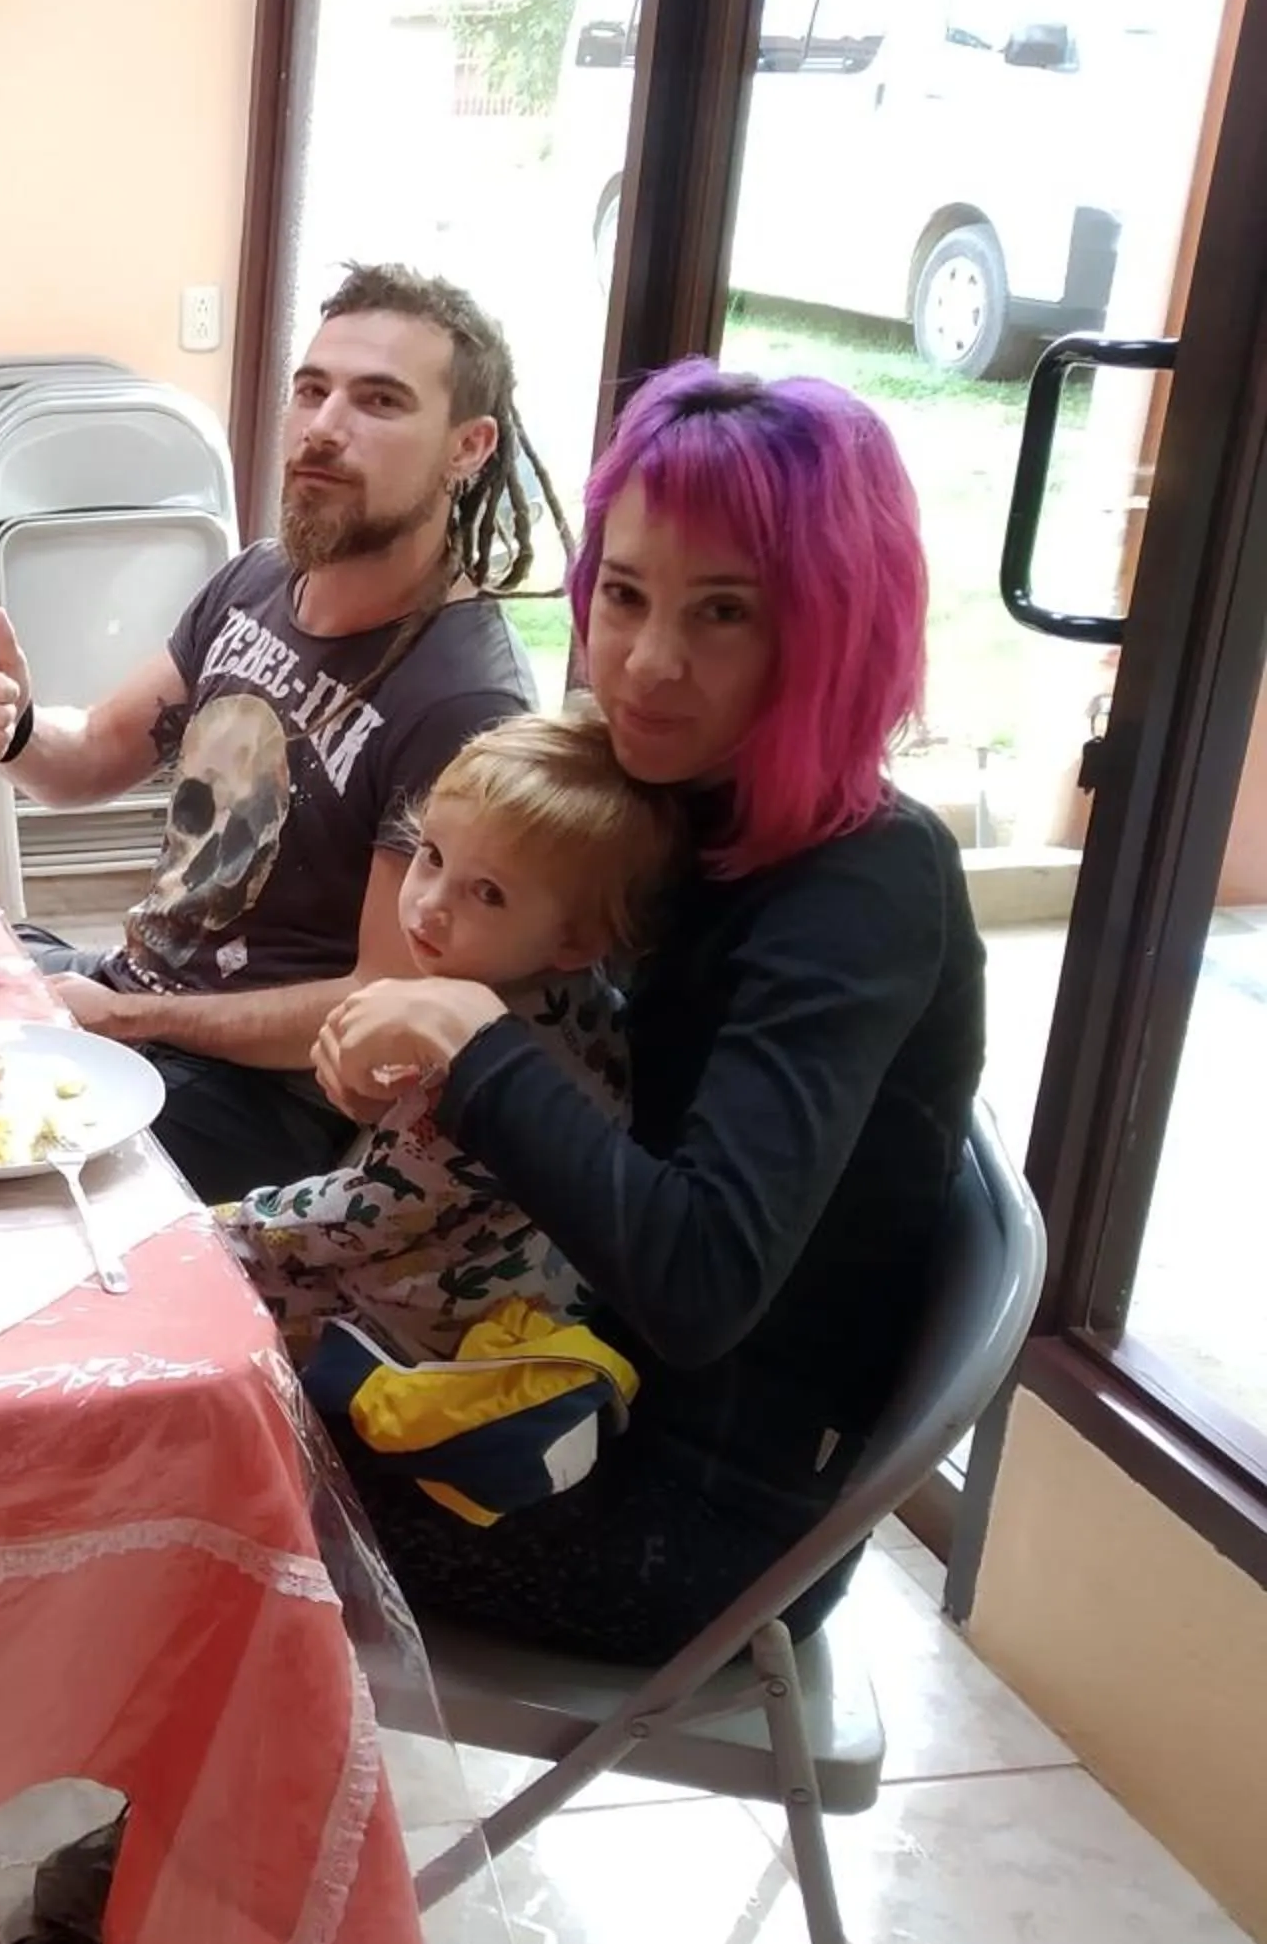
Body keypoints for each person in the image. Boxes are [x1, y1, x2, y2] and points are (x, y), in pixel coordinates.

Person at [310, 358, 983, 1667]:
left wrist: (470, 1041)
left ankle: (195, 1862)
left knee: (188, 1440)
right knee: (181, 1356)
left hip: (696, 1519)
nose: (650, 663)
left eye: (723, 611)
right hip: (542, 1368)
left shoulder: (860, 884)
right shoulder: (669, 798)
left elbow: (697, 1281)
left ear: (830, 628)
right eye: (622, 594)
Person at [0, 264, 552, 1202]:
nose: (323, 425)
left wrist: (133, 1021)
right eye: (311, 390)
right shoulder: (256, 582)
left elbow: (376, 1004)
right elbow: (92, 758)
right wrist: (21, 730)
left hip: (256, 1100)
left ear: (467, 447)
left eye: (378, 401)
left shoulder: (462, 702)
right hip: (130, 996)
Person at [225, 702, 683, 1360]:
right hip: (522, 1282)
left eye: (488, 893)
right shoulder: (580, 1001)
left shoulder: (485, 1061)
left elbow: (361, 1217)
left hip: (422, 1329)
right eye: (432, 854)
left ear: (576, 939)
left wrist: (227, 1227)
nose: (430, 905)